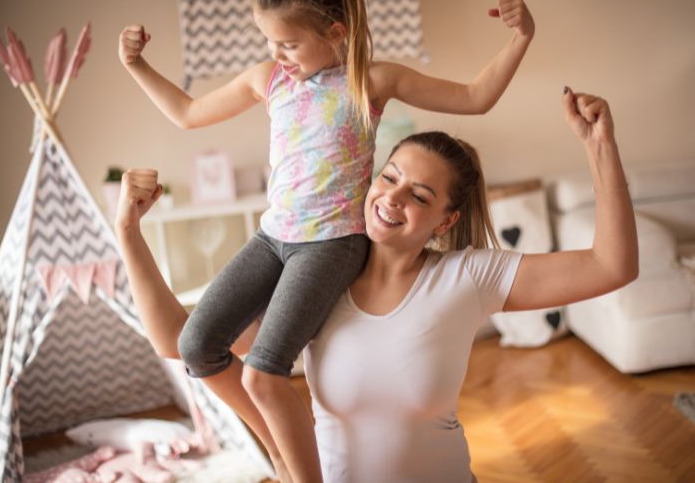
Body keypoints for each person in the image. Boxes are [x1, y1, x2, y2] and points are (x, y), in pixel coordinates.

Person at [118, 0, 534, 480]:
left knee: (264, 376)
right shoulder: (267, 79)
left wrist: (519, 38)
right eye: (270, 41)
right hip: (273, 238)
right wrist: (136, 66)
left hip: (332, 243)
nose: (277, 53)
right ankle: (281, 449)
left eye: (289, 43)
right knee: (197, 344)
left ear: (336, 31)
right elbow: (187, 113)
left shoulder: (370, 80)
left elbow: (476, 98)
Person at [114, 87, 638, 482]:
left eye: (420, 195)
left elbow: (611, 266)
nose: (392, 198)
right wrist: (129, 232)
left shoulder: (468, 276)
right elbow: (181, 342)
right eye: (389, 178)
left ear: (445, 220)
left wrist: (601, 148)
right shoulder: (316, 281)